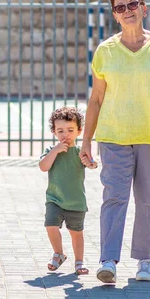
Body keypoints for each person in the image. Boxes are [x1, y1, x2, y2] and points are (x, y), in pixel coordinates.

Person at [80, 0, 150, 283]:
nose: (128, 11)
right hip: (113, 135)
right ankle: (108, 261)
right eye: (121, 8)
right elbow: (96, 99)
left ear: (144, 8)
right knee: (114, 196)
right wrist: (86, 140)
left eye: (132, 5)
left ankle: (145, 261)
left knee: (149, 198)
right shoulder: (106, 51)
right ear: (115, 16)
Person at [39, 107, 97, 276]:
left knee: (76, 233)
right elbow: (43, 167)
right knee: (50, 225)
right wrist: (55, 151)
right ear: (54, 132)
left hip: (76, 201)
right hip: (54, 199)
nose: (65, 134)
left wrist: (90, 163)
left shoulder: (79, 151)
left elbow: (92, 164)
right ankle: (59, 253)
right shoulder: (51, 150)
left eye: (70, 130)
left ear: (79, 131)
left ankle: (79, 263)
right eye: (60, 131)